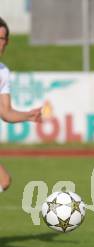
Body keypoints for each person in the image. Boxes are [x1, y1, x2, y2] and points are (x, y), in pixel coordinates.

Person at [0, 17, 42, 190]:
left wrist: (28, 115)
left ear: (7, 42)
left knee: (3, 181)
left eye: (1, 39)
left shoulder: (3, 72)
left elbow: (5, 111)